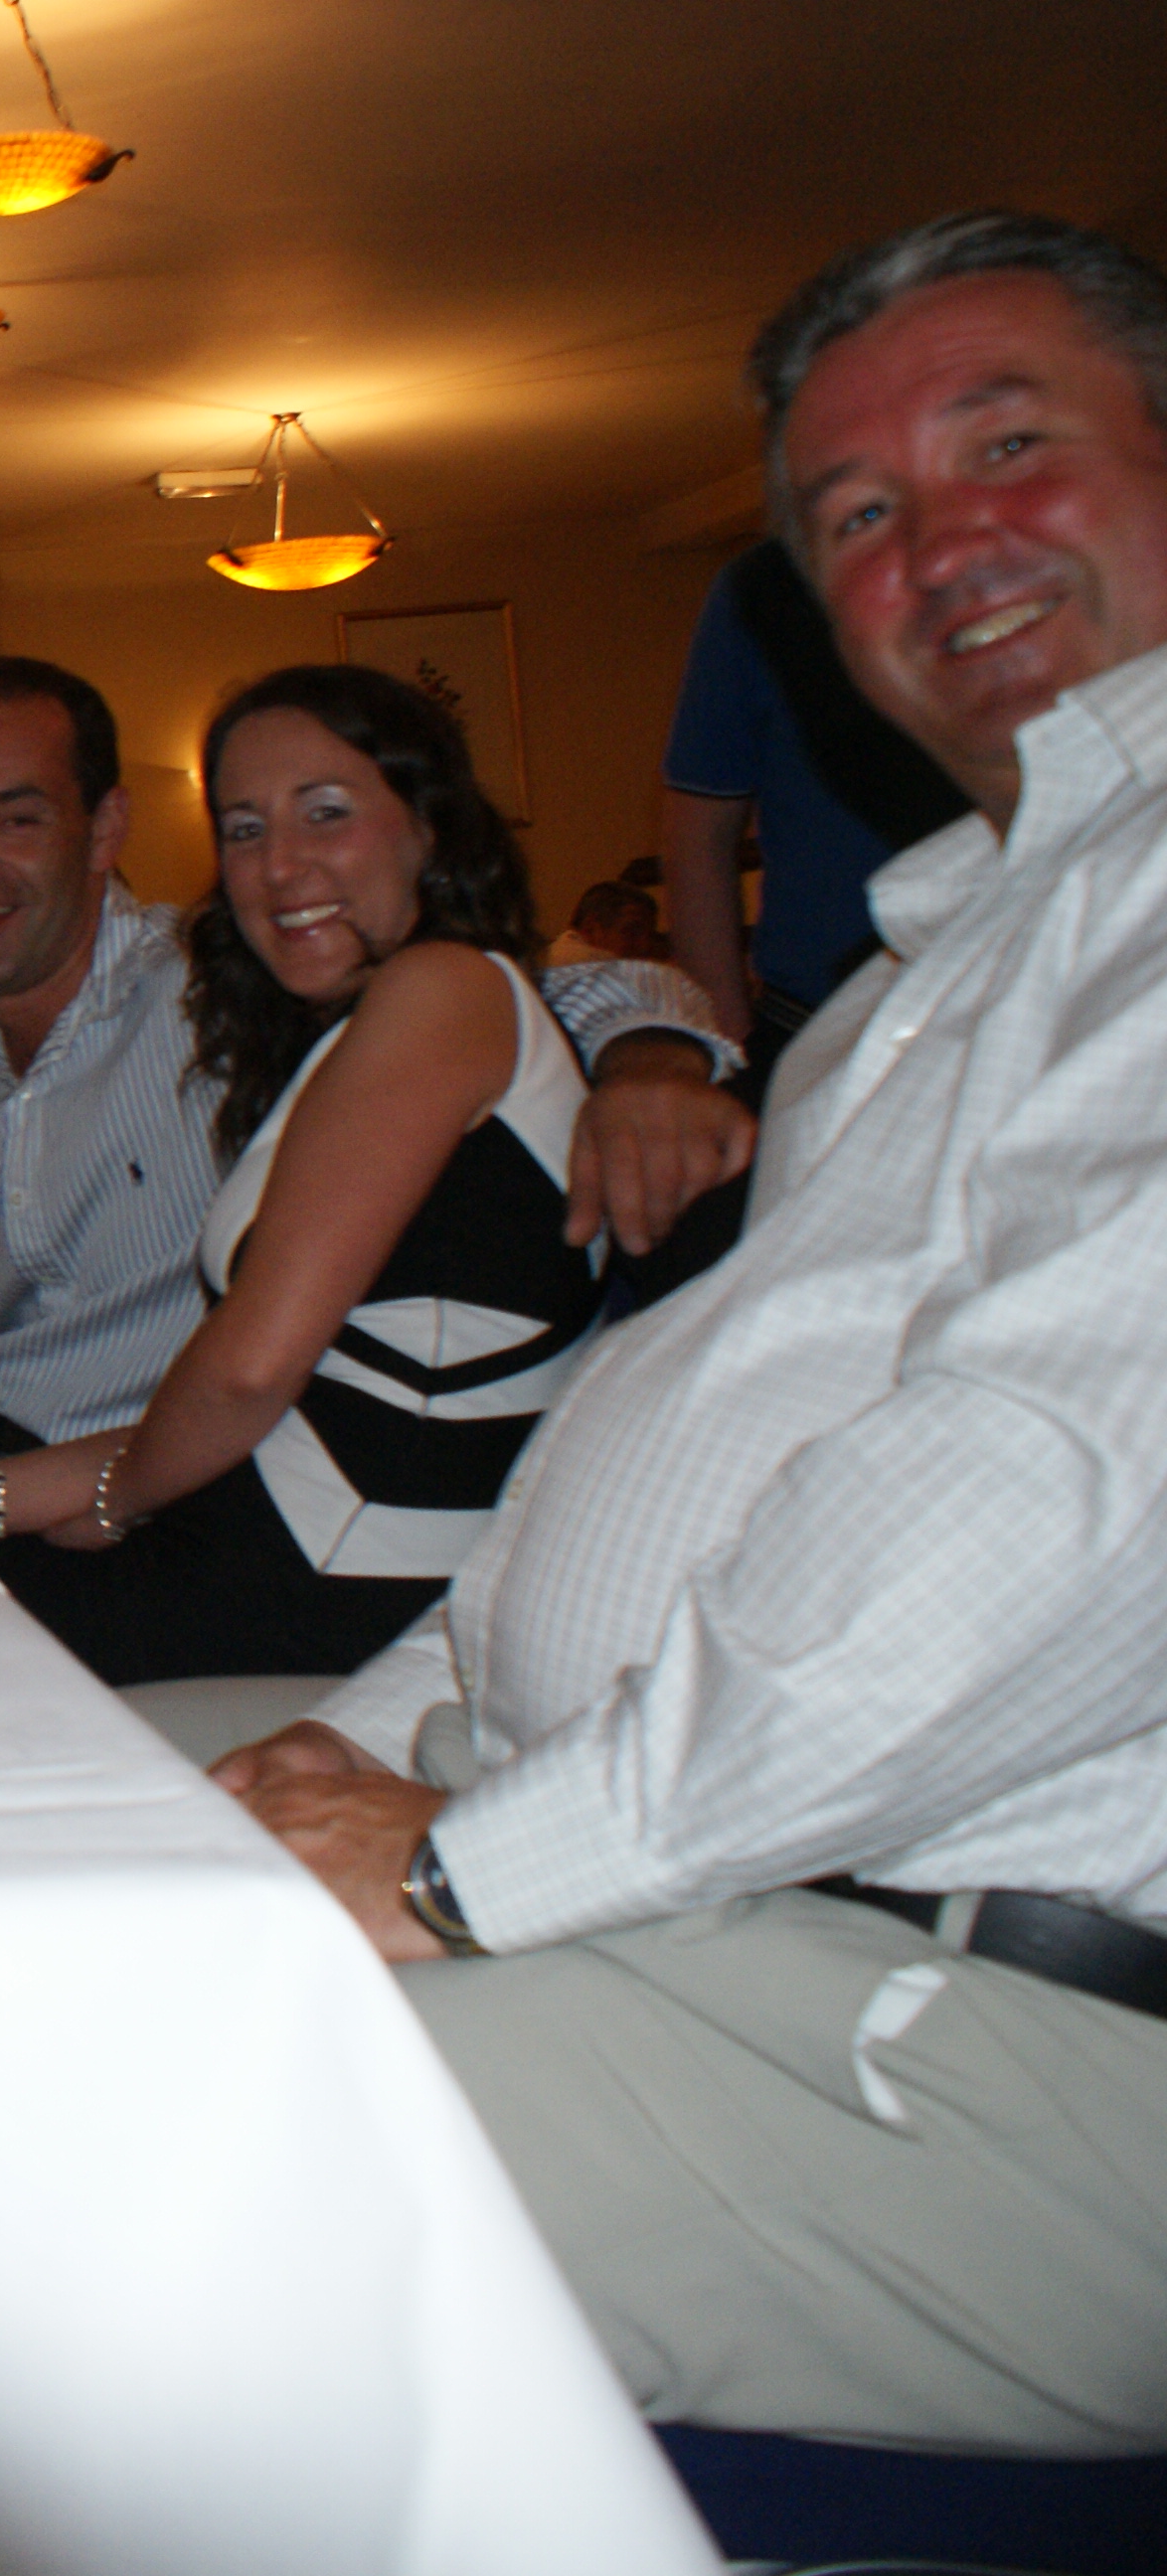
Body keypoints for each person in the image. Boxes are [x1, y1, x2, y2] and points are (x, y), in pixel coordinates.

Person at [219, 209, 1167, 2454]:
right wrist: (343, 1757)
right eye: (857, 514)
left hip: (1001, 2033)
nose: (939, 543)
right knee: (62, 1873)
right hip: (710, 1871)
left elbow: (1039, 1512)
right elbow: (605, 1490)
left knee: (119, 2121)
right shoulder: (916, 982)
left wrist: (455, 1866)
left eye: (1005, 444)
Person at [0, 656, 751, 1486]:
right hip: (6, 1473)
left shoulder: (228, 978)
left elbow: (536, 992)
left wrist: (651, 1065)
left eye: (16, 819)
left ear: (105, 828)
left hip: (203, 1481)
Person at [0, 667, 606, 1685]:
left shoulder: (443, 990)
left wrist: (99, 1500)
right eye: (244, 829)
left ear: (429, 825)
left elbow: (248, 1373)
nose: (280, 865)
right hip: (299, 1533)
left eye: (325, 812)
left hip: (342, 1579)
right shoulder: (357, 1023)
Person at [659, 534, 973, 1047]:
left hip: (1022, 998)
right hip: (817, 1021)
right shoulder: (765, 585)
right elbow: (697, 834)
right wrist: (727, 1037)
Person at [542, 877, 660, 968]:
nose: (645, 945)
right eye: (632, 932)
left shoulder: (553, 955)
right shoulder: (592, 965)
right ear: (590, 929)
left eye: (651, 935)